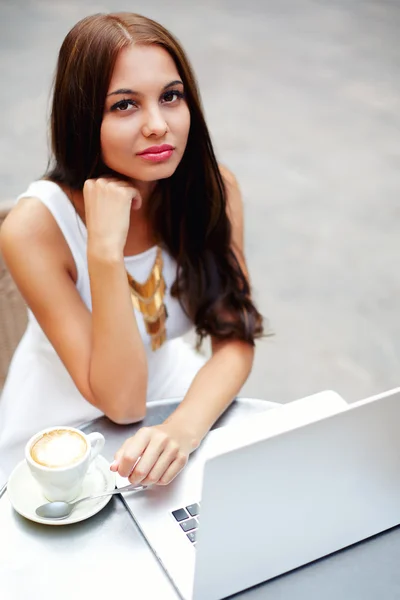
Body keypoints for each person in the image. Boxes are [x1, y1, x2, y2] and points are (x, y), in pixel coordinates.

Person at [0, 12, 265, 486]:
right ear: (82, 117)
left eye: (170, 96)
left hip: (171, 404)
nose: (158, 125)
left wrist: (183, 429)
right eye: (125, 106)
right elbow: (120, 404)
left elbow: (234, 339)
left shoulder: (214, 190)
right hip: (61, 434)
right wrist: (104, 250)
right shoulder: (33, 228)